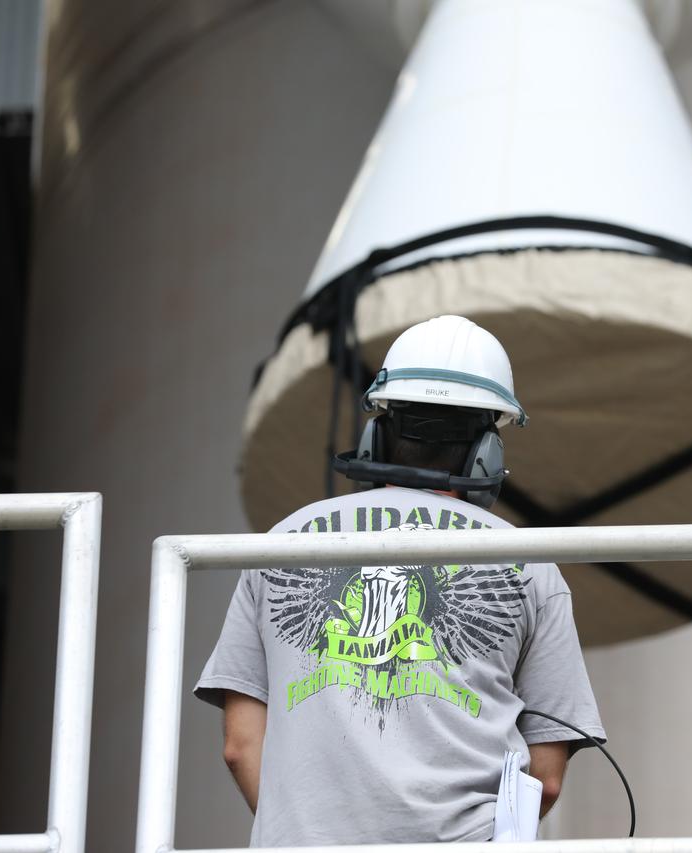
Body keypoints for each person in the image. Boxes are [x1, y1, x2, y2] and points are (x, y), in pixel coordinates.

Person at [196, 315, 604, 846]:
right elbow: (543, 780)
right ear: (487, 451)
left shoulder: (283, 542)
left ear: (376, 434)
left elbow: (240, 745)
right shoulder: (528, 562)